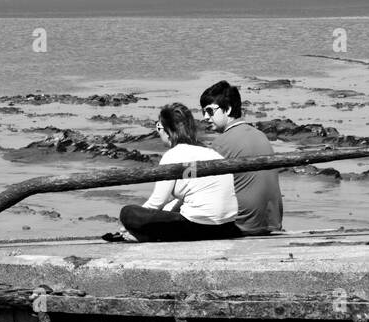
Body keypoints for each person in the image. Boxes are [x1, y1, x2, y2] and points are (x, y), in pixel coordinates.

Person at [118, 103, 241, 242]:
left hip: (199, 228)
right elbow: (188, 190)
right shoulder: (207, 152)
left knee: (128, 212)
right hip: (228, 228)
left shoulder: (172, 155)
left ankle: (142, 235)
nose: (158, 132)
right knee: (169, 212)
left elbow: (157, 202)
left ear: (168, 130)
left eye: (159, 127)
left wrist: (130, 224)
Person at [200, 80, 283, 235]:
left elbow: (197, 183)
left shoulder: (221, 144)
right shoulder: (261, 135)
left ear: (228, 109)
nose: (205, 117)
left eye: (210, 111)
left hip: (242, 227)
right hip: (272, 224)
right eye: (203, 112)